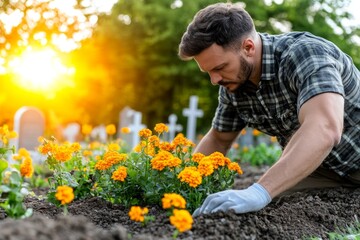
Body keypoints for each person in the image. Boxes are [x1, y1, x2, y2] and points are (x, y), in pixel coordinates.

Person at [178, 2, 360, 217]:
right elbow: (218, 139)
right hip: (322, 170)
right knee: (267, 211)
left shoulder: (305, 54)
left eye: (219, 68)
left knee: (262, 196)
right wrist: (182, 186)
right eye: (208, 72)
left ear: (248, 47)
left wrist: (259, 192)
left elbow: (325, 128)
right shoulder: (233, 84)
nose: (214, 80)